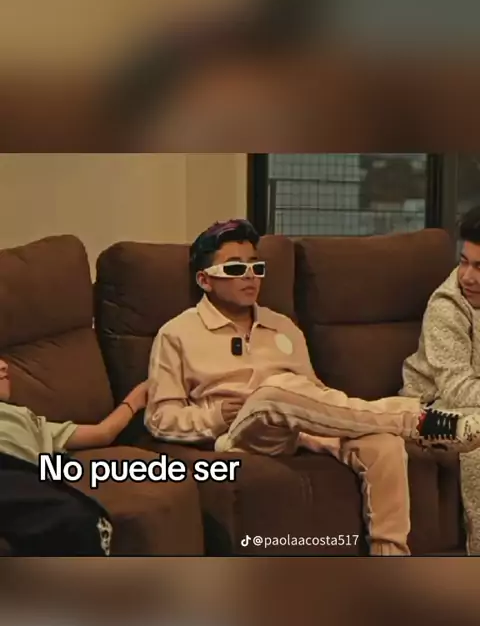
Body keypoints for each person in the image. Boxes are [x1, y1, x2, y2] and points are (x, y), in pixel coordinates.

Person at [144, 219, 480, 557]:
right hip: (240, 434)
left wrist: (325, 421)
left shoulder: (282, 326)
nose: (250, 276)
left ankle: (390, 558)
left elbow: (315, 396)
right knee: (272, 392)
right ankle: (420, 420)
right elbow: (160, 418)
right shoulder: (177, 334)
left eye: (256, 267)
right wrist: (216, 415)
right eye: (234, 268)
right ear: (205, 280)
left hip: (303, 427)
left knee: (384, 444)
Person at [0, 358, 148, 556]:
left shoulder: (26, 418)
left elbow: (102, 433)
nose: (4, 365)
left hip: (17, 477)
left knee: (80, 519)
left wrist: (135, 399)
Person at [401, 206, 480, 554]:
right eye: (464, 262)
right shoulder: (447, 306)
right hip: (429, 413)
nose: (468, 277)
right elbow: (458, 389)